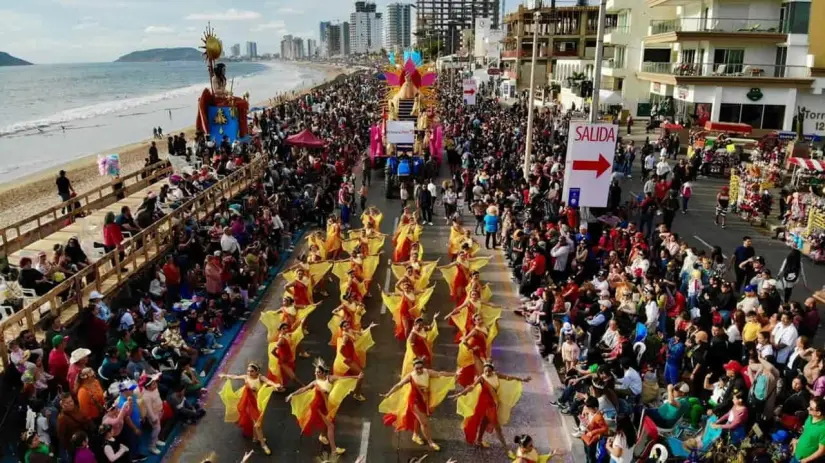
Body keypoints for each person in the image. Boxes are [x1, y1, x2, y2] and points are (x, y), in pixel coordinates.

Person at [286, 359, 362, 456]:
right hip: (317, 407)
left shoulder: (329, 379)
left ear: (323, 373)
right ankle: (334, 450)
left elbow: (342, 378)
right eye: (315, 372)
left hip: (325, 406)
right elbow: (303, 389)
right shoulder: (315, 382)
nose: (316, 374)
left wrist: (357, 377)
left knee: (327, 424)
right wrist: (292, 394)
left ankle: (322, 436)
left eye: (318, 372)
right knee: (331, 426)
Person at [450, 361, 531, 452]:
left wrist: (522, 379)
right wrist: (460, 393)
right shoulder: (482, 378)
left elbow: (509, 378)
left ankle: (479, 440)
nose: (487, 373)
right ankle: (506, 448)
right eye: (485, 371)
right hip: (485, 404)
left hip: (493, 403)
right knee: (497, 427)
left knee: (485, 421)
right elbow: (472, 387)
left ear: (492, 371)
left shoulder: (496, 375)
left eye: (489, 371)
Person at [379, 357, 456, 451]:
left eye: (420, 367)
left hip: (425, 400)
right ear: (413, 368)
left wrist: (454, 374)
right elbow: (399, 385)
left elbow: (440, 374)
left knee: (418, 419)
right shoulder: (411, 376)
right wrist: (388, 394)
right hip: (415, 402)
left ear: (423, 366)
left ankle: (415, 435)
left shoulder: (427, 372)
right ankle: (430, 442)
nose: (419, 370)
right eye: (417, 368)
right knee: (424, 423)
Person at [218, 363, 280, 454]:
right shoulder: (246, 377)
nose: (249, 373)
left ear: (257, 371)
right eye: (248, 371)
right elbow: (235, 377)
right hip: (248, 403)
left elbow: (268, 381)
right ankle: (263, 444)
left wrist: (275, 385)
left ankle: (256, 438)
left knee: (256, 423)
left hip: (257, 404)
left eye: (252, 371)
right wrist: (225, 375)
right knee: (257, 425)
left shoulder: (260, 378)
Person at [792, 397, 825, 463]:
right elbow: (806, 432)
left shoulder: (823, 429)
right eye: (809, 406)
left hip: (803, 460)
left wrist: (805, 460)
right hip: (796, 454)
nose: (808, 408)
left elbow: (821, 451)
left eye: (811, 408)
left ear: (818, 413)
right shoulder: (810, 416)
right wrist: (797, 441)